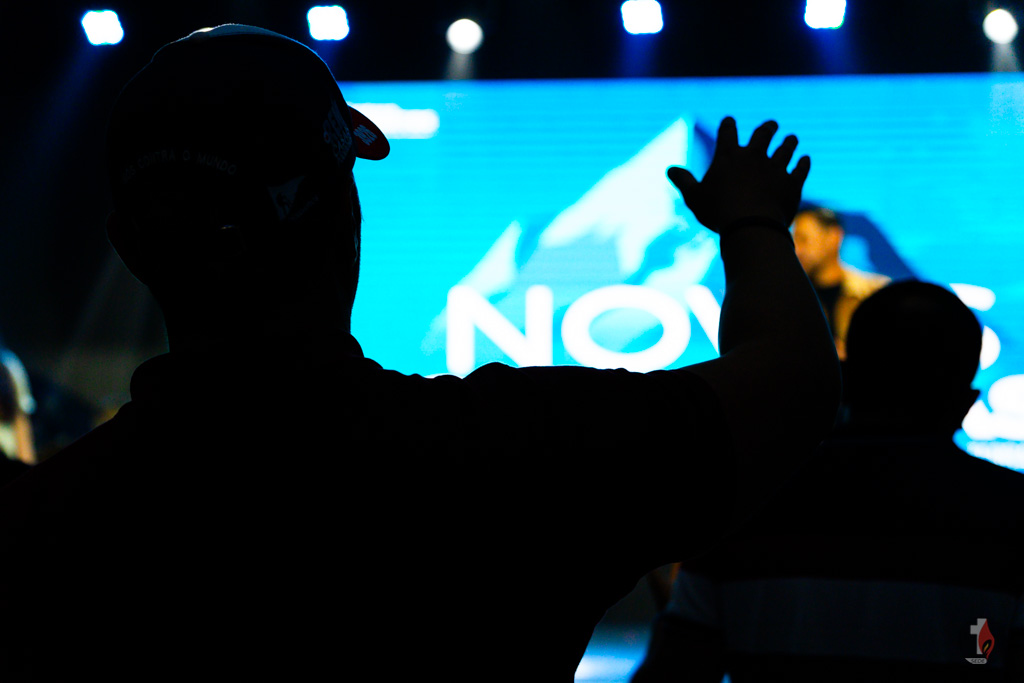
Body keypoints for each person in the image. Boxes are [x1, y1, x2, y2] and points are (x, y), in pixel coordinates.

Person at [0, 25, 839, 680]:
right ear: (345, 218)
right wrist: (754, 225)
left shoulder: (40, 532)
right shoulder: (516, 457)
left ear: (130, 247)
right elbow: (792, 388)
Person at [631, 280, 1024, 683]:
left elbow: (678, 669)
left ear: (847, 378)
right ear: (966, 402)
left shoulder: (748, 504)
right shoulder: (1013, 516)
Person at [791, 205, 888, 359]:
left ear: (833, 237)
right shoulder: (790, 297)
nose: (797, 250)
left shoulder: (875, 292)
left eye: (803, 239)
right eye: (793, 241)